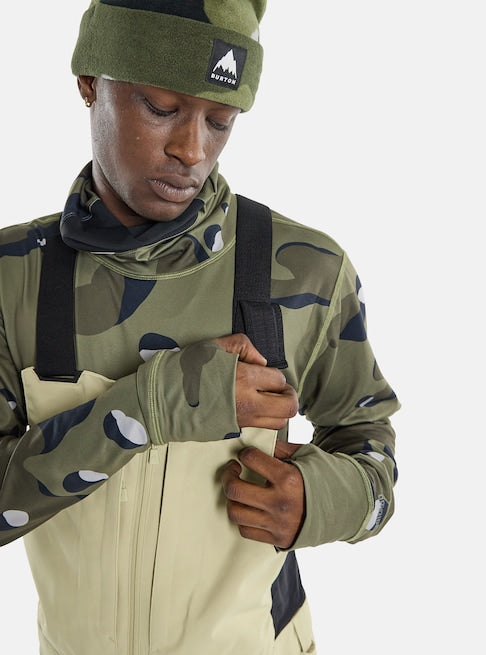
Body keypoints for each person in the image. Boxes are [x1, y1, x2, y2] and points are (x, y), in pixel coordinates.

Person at [0, 1, 400, 653]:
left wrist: (319, 499)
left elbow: (372, 448)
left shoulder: (306, 271)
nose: (191, 150)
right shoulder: (13, 278)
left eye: (220, 120)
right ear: (89, 82)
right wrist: (153, 403)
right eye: (160, 107)